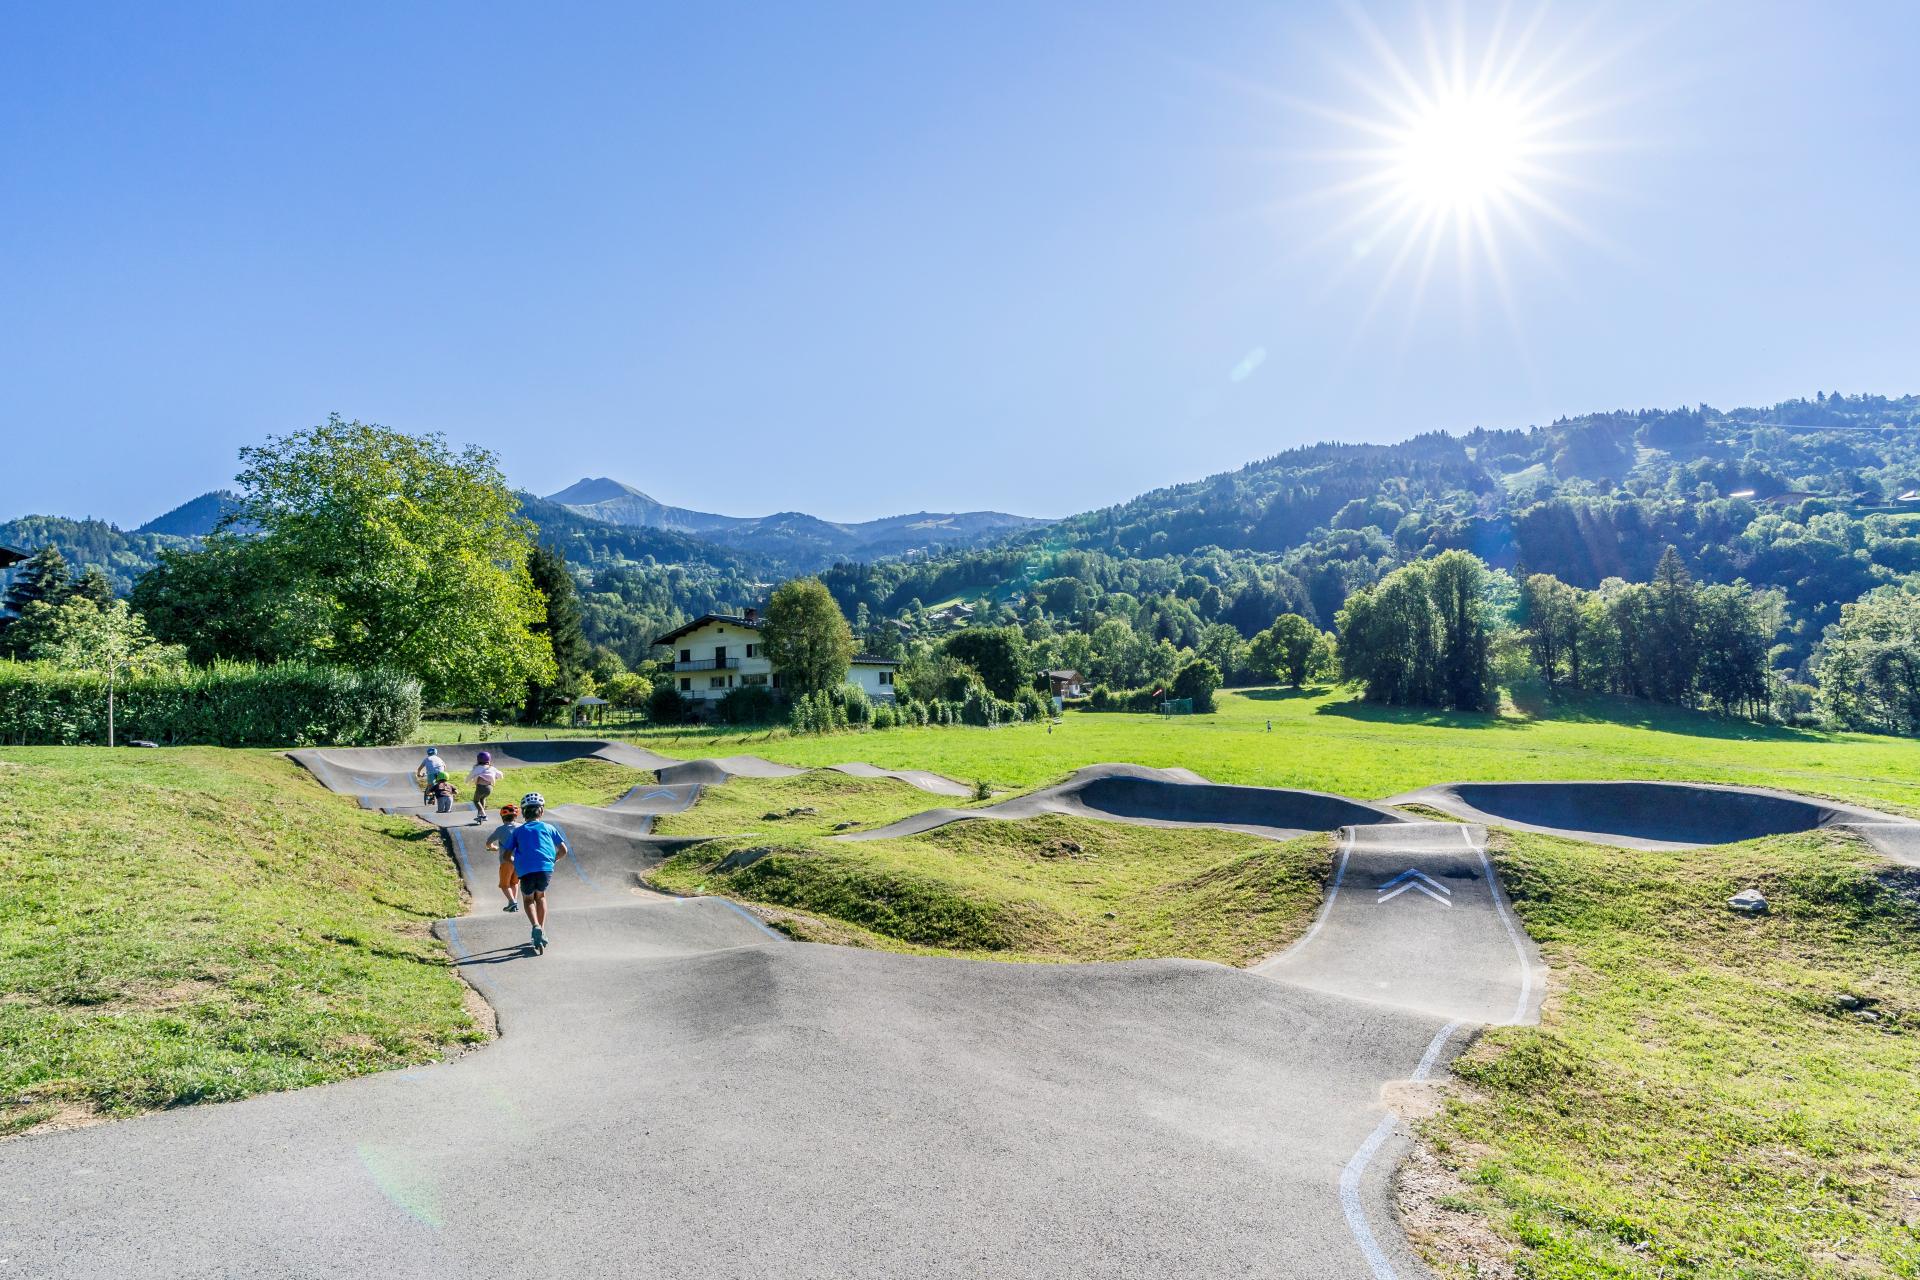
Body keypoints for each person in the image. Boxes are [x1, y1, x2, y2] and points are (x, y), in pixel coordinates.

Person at [504, 792, 570, 953]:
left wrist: (517, 863)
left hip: (525, 869)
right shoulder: (549, 827)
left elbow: (506, 855)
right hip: (545, 869)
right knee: (540, 896)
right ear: (541, 811)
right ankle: (541, 930)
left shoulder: (518, 831)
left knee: (528, 900)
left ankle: (535, 926)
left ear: (524, 813)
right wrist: (552, 861)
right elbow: (563, 850)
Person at [485, 802, 522, 912]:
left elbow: (488, 842)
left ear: (502, 817)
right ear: (516, 816)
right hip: (520, 861)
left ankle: (512, 902)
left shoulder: (500, 829)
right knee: (514, 883)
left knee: (504, 885)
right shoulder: (522, 827)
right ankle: (514, 903)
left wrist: (492, 847)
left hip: (506, 861)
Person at [467, 751, 504, 825]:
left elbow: (470, 776)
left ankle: (483, 814)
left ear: (478, 760)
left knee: (476, 801)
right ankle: (480, 815)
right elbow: (500, 775)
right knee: (482, 799)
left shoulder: (477, 768)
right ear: (489, 760)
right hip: (490, 788)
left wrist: (467, 781)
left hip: (480, 788)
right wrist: (495, 777)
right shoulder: (492, 768)